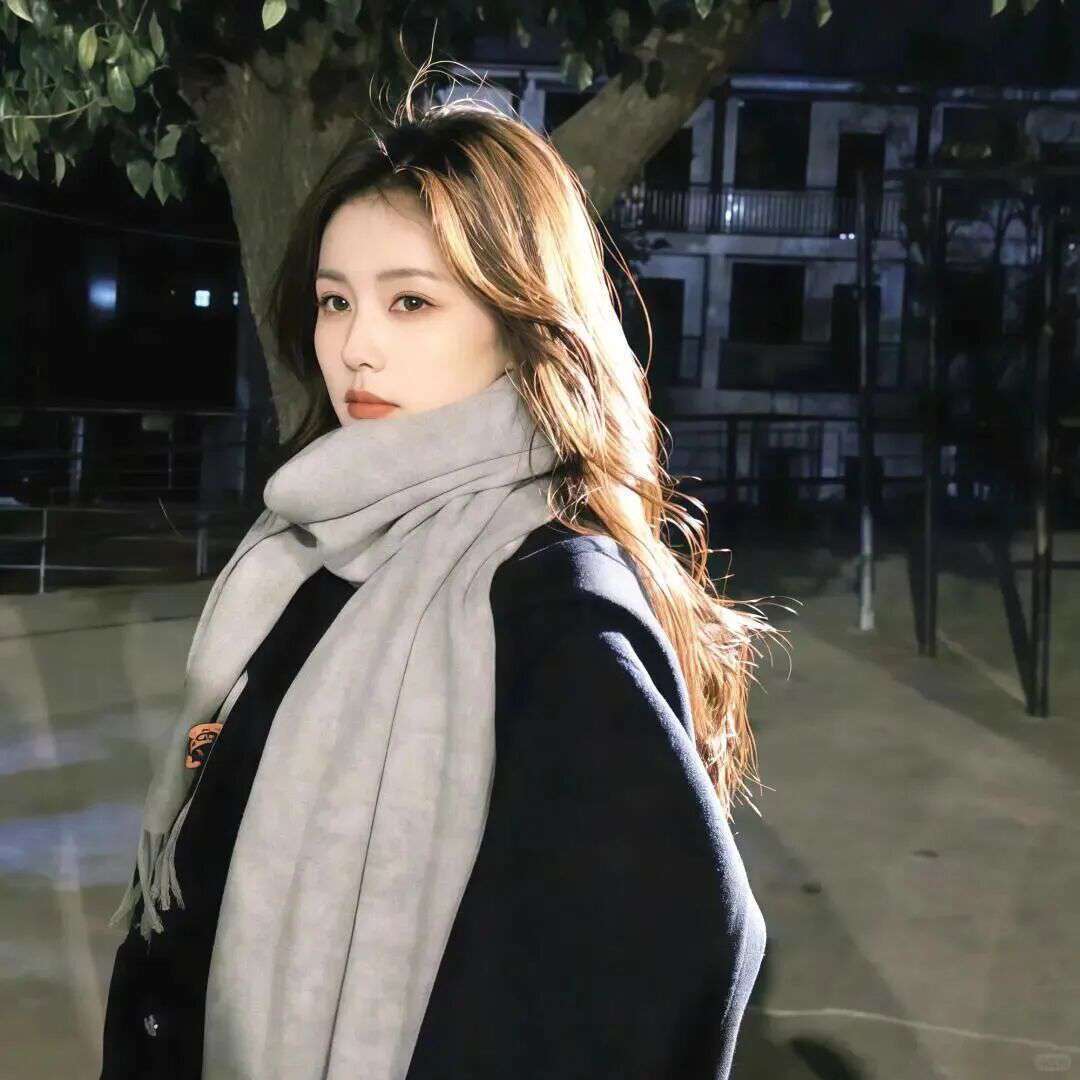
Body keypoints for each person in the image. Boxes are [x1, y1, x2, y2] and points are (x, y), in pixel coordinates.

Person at [100, 60, 786, 1080]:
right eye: (335, 302)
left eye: (411, 303)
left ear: (519, 323)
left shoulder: (550, 600)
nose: (355, 348)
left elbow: (677, 950)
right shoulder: (319, 538)